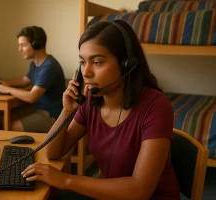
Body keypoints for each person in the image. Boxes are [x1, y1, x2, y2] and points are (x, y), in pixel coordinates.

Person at [21, 20, 180, 200]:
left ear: (126, 64)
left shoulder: (156, 106)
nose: (86, 72)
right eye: (82, 62)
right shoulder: (92, 101)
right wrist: (67, 111)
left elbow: (139, 190)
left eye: (97, 62)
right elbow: (53, 152)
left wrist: (66, 180)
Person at [0, 26, 66, 133]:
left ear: (36, 44)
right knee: (2, 118)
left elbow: (32, 97)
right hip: (39, 109)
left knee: (10, 126)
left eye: (23, 45)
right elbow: (25, 80)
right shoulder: (35, 63)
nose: (19, 49)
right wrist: (4, 82)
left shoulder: (49, 66)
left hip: (52, 115)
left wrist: (7, 89)